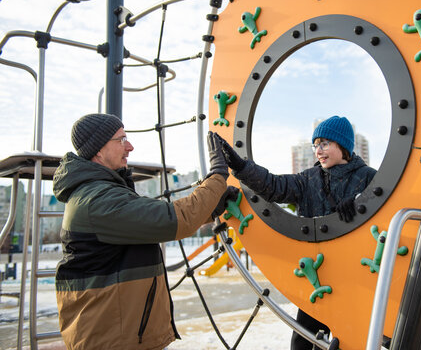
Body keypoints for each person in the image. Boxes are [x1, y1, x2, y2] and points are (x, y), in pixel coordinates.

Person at [53, 113, 237, 350]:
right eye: (121, 140)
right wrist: (218, 174)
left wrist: (212, 209)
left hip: (115, 331)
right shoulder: (98, 200)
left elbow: (152, 222)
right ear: (98, 150)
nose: (130, 146)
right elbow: (174, 219)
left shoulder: (98, 193)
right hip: (110, 337)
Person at [217, 115, 377, 349]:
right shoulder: (308, 180)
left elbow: (382, 211)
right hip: (317, 273)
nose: (318, 151)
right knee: (302, 340)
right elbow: (273, 186)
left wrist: (360, 203)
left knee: (350, 339)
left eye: (324, 144)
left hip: (353, 275)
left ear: (342, 145)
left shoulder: (369, 178)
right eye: (315, 145)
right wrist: (240, 166)